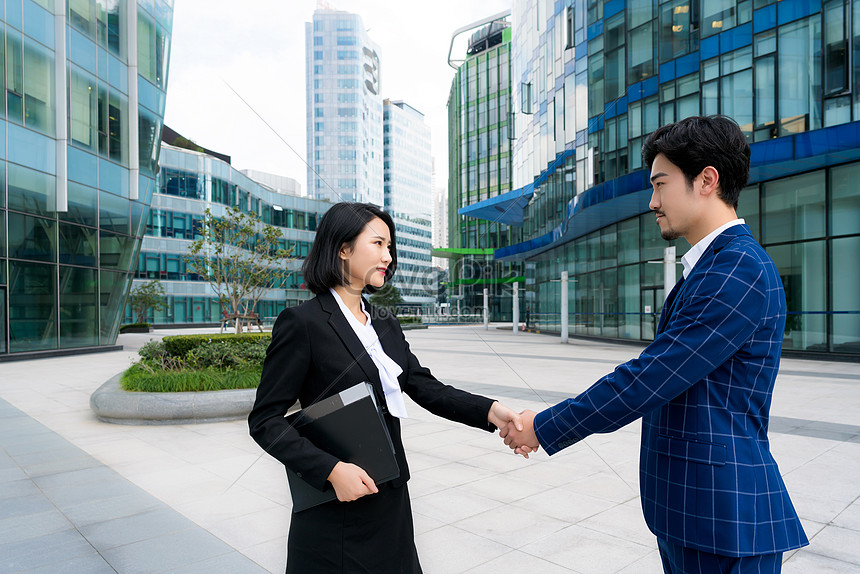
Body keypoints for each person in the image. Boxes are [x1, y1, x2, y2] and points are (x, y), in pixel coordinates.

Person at [501, 116, 809, 573]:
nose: (652, 201)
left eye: (661, 185)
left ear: (706, 180)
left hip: (726, 519)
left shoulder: (737, 269)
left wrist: (545, 426)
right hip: (695, 513)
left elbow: (649, 377)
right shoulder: (712, 267)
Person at [248, 202, 523, 574]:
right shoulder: (303, 323)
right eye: (378, 244)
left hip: (390, 498)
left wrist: (491, 411)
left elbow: (427, 388)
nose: (387, 256)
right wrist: (330, 470)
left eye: (389, 247)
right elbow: (265, 420)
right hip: (337, 509)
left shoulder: (384, 322)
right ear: (343, 249)